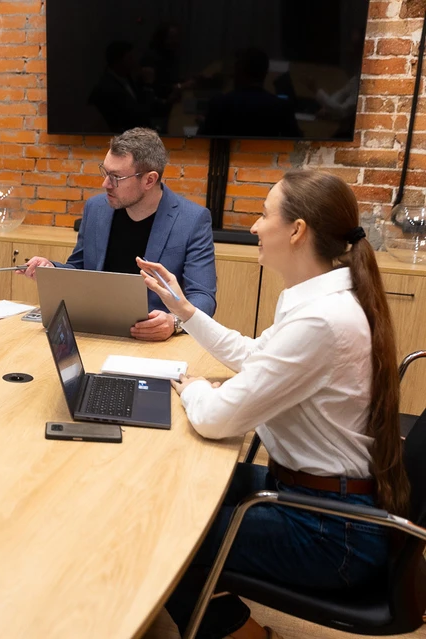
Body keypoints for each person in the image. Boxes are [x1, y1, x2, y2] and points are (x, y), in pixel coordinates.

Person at [137, 169, 407, 639]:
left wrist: (195, 386)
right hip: (325, 501)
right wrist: (185, 310)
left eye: (264, 215)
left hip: (332, 534)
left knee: (160, 528)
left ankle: (242, 633)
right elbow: (254, 356)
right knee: (165, 485)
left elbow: (215, 419)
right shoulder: (322, 301)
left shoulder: (321, 320)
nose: (255, 227)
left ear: (297, 230)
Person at [22, 127, 216, 341]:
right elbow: (79, 268)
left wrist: (174, 322)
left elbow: (203, 297)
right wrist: (52, 269)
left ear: (149, 180)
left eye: (116, 177)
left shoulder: (192, 220)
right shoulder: (96, 208)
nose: (105, 184)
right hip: (95, 331)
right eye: (105, 172)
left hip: (154, 340)